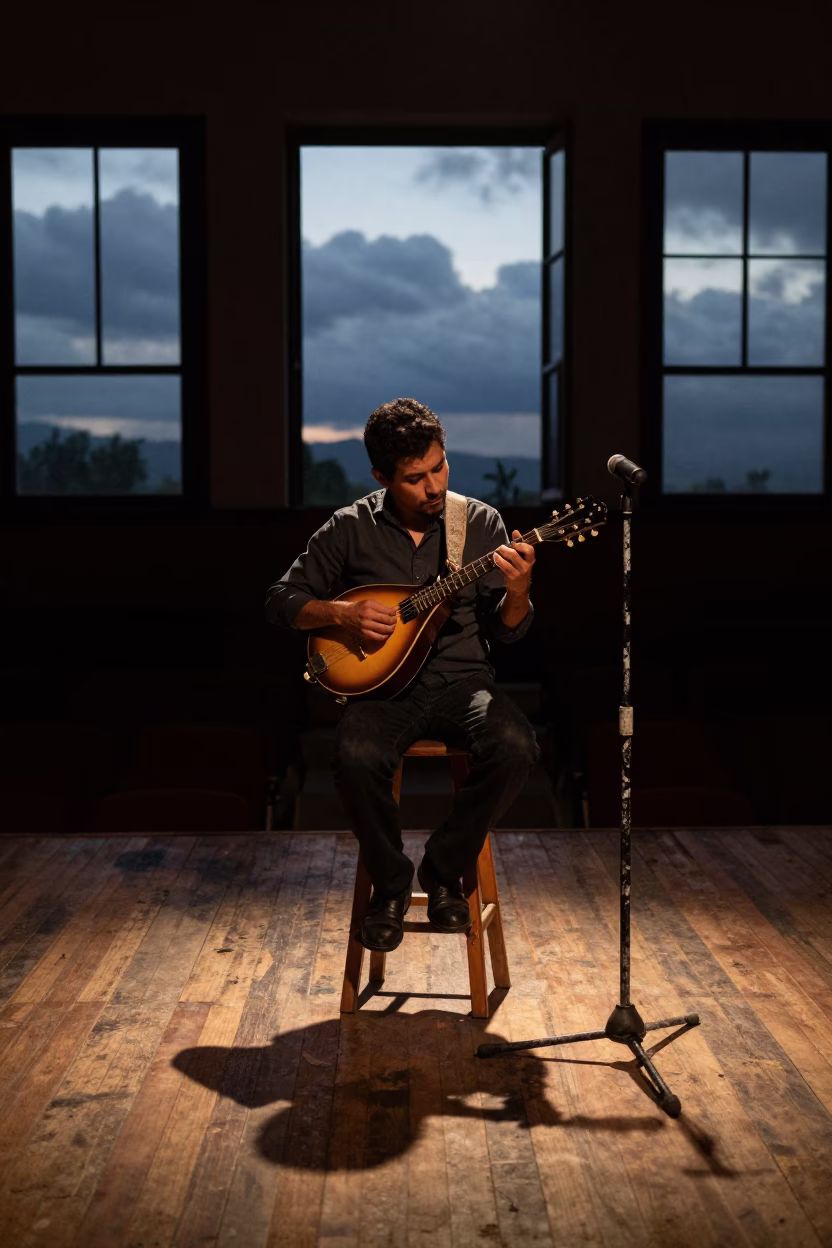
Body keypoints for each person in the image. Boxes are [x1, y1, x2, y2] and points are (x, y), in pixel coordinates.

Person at [266, 398, 539, 953]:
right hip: (382, 690)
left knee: (515, 745)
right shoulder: (350, 528)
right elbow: (280, 600)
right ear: (381, 477)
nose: (434, 487)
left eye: (440, 468)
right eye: (415, 479)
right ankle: (389, 885)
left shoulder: (479, 523)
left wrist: (518, 592)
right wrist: (341, 613)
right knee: (354, 757)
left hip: (464, 683)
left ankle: (443, 872)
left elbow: (507, 633)